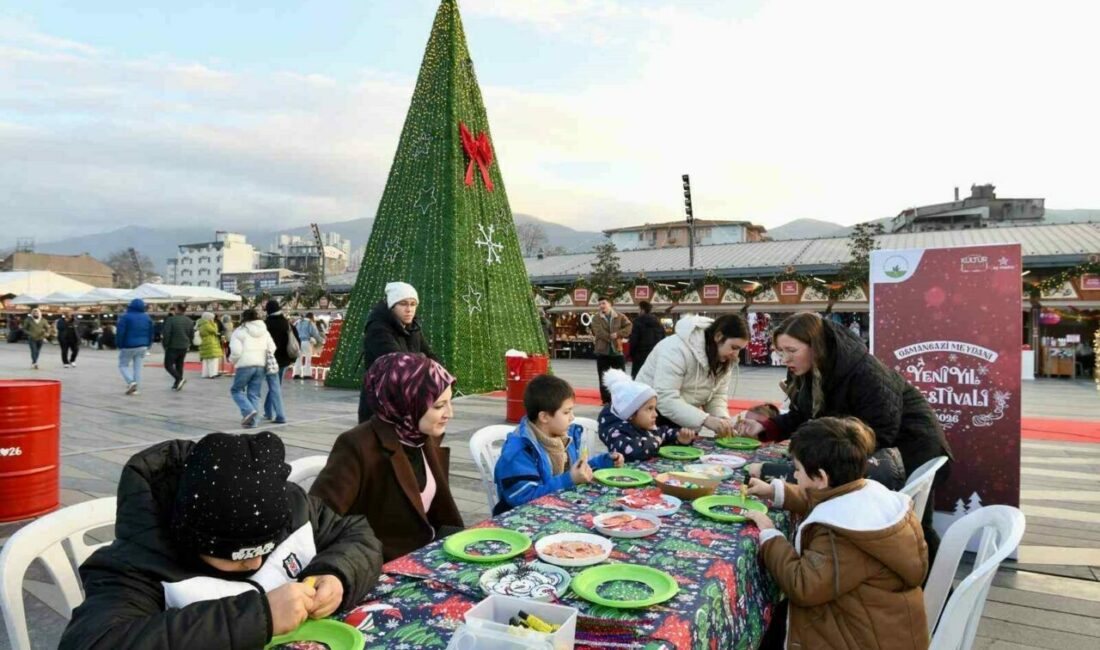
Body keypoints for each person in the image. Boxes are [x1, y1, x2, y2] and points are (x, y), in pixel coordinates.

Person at [59, 431, 383, 650]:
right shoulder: (138, 564)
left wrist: (338, 574)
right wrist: (258, 617)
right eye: (236, 555)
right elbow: (94, 642)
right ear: (192, 538)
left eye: (265, 549)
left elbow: (357, 534)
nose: (255, 563)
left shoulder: (288, 506)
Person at [737, 311, 953, 557]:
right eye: (781, 351)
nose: (785, 358)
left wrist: (808, 461)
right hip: (876, 445)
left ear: (816, 346)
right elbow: (803, 414)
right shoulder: (807, 369)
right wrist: (766, 427)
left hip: (911, 448)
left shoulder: (864, 371)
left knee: (914, 525)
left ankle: (933, 578)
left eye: (791, 350)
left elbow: (880, 431)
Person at [743, 417, 929, 650]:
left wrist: (770, 535)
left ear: (821, 477)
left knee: (770, 629)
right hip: (884, 626)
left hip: (858, 639)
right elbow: (826, 498)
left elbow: (802, 586)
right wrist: (775, 491)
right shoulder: (864, 493)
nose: (795, 476)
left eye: (797, 470)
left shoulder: (842, 534)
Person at [311, 353, 465, 561]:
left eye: (449, 403)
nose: (449, 413)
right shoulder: (358, 445)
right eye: (439, 406)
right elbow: (319, 520)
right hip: (380, 564)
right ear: (405, 402)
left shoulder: (422, 437)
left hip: (429, 554)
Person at [493, 374, 624, 515]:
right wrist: (569, 480)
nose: (572, 417)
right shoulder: (520, 451)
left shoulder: (563, 438)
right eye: (566, 412)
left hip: (556, 508)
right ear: (544, 417)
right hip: (521, 518)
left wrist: (603, 462)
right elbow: (524, 498)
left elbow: (576, 471)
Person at [635, 314, 749, 437]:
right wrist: (705, 420)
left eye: (740, 349)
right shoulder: (676, 349)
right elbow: (665, 398)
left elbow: (716, 395)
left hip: (684, 417)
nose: (735, 354)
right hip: (649, 415)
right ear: (718, 336)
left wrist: (722, 420)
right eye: (734, 347)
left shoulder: (724, 359)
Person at [358, 282, 438, 423]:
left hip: (407, 401)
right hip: (380, 404)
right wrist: (423, 358)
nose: (409, 309)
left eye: (413, 304)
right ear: (392, 306)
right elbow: (398, 363)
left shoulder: (413, 327)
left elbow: (431, 356)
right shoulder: (378, 328)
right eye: (403, 304)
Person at [597, 368, 696, 462]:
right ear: (631, 413)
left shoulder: (644, 426)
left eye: (655, 408)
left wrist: (679, 437)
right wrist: (655, 442)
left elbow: (663, 433)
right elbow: (632, 451)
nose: (655, 414)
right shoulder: (617, 432)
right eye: (650, 409)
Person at [228, 309, 276, 427]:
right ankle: (253, 422)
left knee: (236, 390)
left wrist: (232, 360)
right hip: (261, 365)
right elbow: (272, 347)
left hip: (245, 365)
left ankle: (248, 410)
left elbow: (236, 351)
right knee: (254, 394)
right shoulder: (264, 331)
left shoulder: (239, 331)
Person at [590, 297, 632, 404]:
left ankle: (621, 398)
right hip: (602, 352)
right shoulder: (596, 318)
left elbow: (629, 327)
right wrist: (611, 337)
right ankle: (606, 400)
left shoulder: (620, 316)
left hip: (617, 351)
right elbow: (598, 332)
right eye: (599, 304)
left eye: (603, 303)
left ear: (610, 304)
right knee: (603, 377)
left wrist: (618, 334)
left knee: (621, 377)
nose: (601, 306)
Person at [264, 300, 298, 424]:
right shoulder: (287, 324)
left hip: (270, 360)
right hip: (284, 361)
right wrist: (292, 359)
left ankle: (278, 414)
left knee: (274, 387)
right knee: (275, 385)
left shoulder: (266, 324)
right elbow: (296, 341)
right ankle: (268, 411)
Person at [116, 299, 154, 395]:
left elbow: (120, 332)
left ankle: (131, 382)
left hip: (128, 345)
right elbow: (151, 332)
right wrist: (149, 344)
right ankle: (136, 389)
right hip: (143, 346)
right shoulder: (147, 317)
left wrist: (119, 344)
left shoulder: (125, 317)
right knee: (138, 367)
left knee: (123, 365)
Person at [161, 303, 195, 391]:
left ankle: (179, 378)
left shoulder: (171, 320)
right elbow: (192, 334)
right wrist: (189, 343)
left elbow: (166, 333)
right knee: (179, 365)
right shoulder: (189, 320)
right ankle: (177, 384)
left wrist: (165, 344)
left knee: (168, 365)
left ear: (177, 309)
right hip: (184, 346)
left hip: (173, 345)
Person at [627, 300, 664, 380]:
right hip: (654, 354)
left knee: (638, 378)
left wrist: (631, 354)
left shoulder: (637, 321)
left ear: (642, 310)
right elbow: (663, 339)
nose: (638, 311)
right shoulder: (658, 322)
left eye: (638, 309)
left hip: (640, 355)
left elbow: (634, 340)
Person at [293, 312, 324, 379]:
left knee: (298, 358)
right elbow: (315, 333)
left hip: (298, 342)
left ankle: (296, 374)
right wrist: (322, 340)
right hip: (306, 342)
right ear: (311, 317)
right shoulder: (310, 322)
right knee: (308, 358)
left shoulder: (298, 322)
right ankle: (306, 374)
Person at [197, 312, 222, 378]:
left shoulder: (201, 324)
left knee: (206, 359)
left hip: (204, 342)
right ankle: (213, 373)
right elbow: (215, 330)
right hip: (210, 342)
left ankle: (205, 374)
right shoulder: (207, 324)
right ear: (208, 318)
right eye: (212, 318)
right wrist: (214, 324)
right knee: (213, 358)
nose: (212, 319)